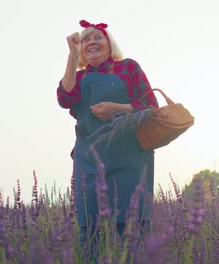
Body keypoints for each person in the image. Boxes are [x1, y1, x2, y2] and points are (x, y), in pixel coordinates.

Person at [56, 19, 159, 256]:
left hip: (130, 157)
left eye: (97, 37)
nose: (91, 42)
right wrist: (71, 55)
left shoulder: (128, 67)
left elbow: (151, 106)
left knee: (133, 228)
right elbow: (65, 98)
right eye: (85, 40)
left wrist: (119, 108)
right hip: (89, 158)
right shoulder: (78, 77)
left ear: (109, 44)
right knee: (90, 228)